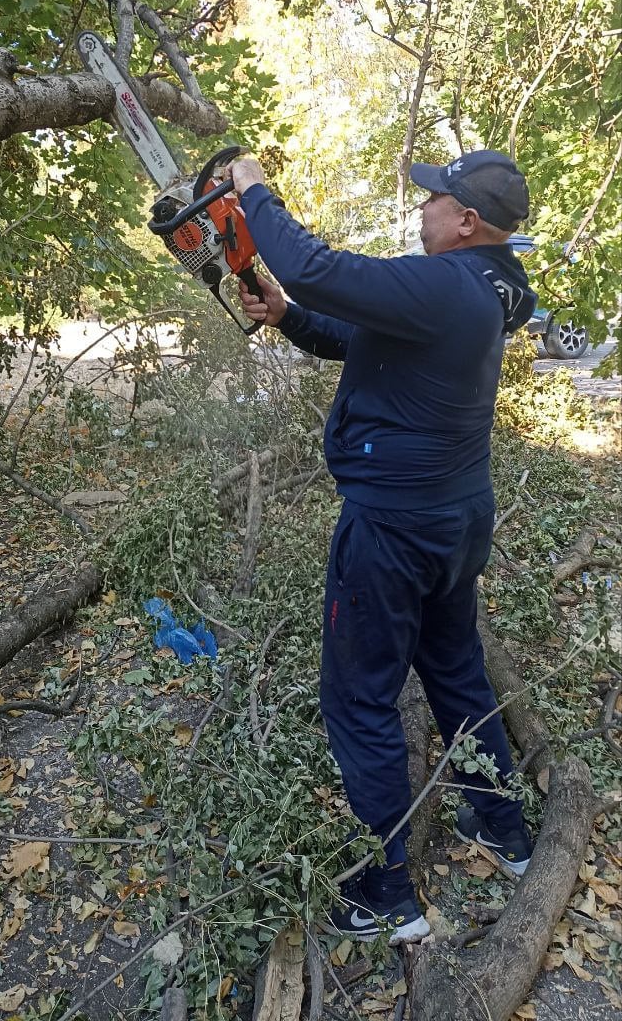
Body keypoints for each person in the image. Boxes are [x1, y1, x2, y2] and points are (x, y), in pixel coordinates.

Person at [226, 148, 538, 945]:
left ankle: (383, 892)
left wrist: (252, 187)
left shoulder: (443, 283)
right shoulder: (492, 286)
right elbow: (359, 334)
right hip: (456, 513)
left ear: (466, 221)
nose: (421, 209)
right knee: (454, 666)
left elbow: (315, 266)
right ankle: (501, 827)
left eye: (434, 199)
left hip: (394, 526)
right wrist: (286, 316)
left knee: (359, 697)